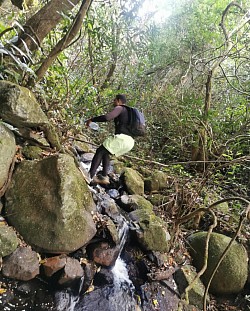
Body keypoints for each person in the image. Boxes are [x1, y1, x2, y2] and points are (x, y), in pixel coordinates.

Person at [86, 94, 134, 185]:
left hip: (123, 139)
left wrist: (92, 119)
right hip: (130, 142)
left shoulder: (120, 108)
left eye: (115, 100)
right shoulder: (129, 112)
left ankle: (89, 176)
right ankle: (103, 177)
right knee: (106, 151)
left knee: (100, 150)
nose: (113, 102)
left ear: (119, 101)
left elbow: (107, 117)